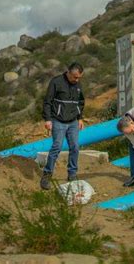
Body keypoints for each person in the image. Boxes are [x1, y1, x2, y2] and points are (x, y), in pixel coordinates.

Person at [41, 62, 85, 190]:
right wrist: (48, 119)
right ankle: (46, 175)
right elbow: (47, 101)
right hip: (58, 121)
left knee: (75, 147)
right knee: (57, 147)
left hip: (73, 122)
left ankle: (72, 174)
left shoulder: (78, 85)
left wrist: (80, 117)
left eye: (79, 77)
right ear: (69, 72)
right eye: (75, 77)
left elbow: (80, 102)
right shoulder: (56, 82)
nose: (77, 80)